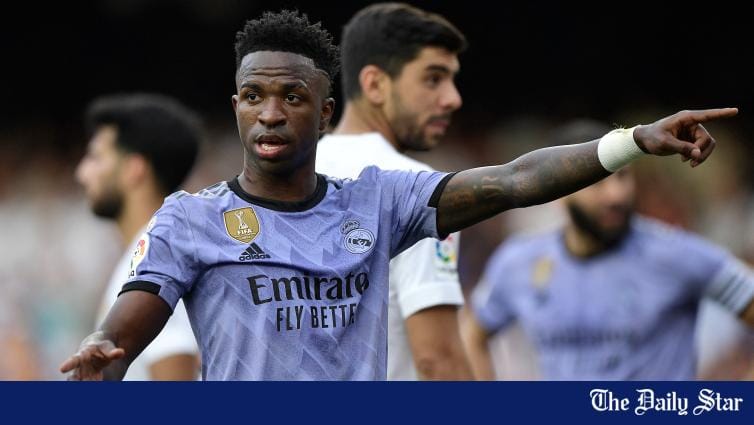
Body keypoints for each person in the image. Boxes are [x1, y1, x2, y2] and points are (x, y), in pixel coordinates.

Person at [60, 10, 736, 381]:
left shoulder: (379, 201)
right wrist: (100, 352)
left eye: (292, 97)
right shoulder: (191, 220)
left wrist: (632, 141)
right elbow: (121, 337)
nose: (269, 113)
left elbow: (515, 180)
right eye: (253, 96)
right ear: (235, 106)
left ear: (325, 113)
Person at [462, 121, 754, 380]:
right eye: (596, 182)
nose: (615, 195)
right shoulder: (519, 263)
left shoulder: (678, 254)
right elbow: (471, 335)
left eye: (622, 177)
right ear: (557, 192)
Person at [316, 3, 471, 380]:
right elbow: (438, 360)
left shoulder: (283, 177)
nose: (453, 98)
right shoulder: (420, 189)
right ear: (375, 85)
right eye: (433, 78)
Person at [75, 93, 202, 380]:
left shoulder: (158, 264)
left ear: (134, 169)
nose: (82, 173)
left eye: (96, 157)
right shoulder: (146, 255)